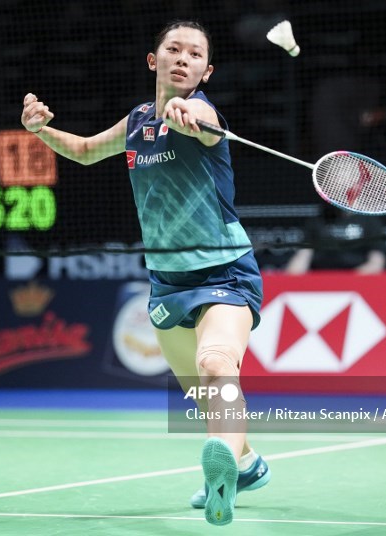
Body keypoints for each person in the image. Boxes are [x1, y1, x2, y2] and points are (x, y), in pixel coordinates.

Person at [21, 20, 270, 526]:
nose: (183, 58)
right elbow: (87, 151)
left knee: (217, 365)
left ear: (206, 71)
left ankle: (221, 480)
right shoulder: (136, 121)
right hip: (167, 282)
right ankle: (244, 463)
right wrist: (40, 130)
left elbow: (195, 119)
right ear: (153, 61)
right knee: (204, 396)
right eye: (173, 50)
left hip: (224, 269)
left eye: (194, 54)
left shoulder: (204, 114)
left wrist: (188, 113)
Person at [285, 204, 386, 275]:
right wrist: (290, 280)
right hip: (321, 280)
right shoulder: (317, 221)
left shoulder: (370, 222)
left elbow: (376, 263)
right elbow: (302, 257)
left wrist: (344, 280)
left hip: (358, 280)